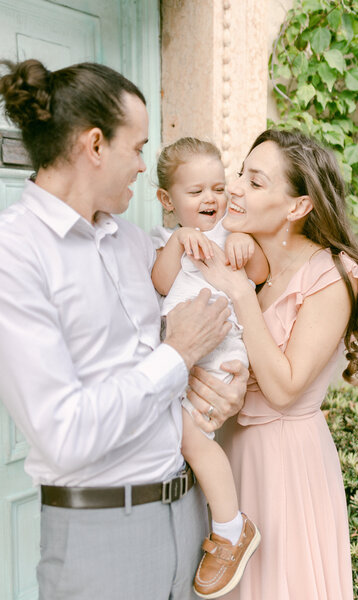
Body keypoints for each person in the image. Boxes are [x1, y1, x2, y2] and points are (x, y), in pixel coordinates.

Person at [0, 59, 248, 600]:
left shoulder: (138, 243)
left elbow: (192, 346)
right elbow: (62, 434)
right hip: (100, 538)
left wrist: (222, 392)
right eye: (136, 149)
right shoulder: (14, 252)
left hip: (191, 517)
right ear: (94, 146)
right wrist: (178, 353)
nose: (142, 167)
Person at [190, 129, 358, 600]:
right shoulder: (242, 255)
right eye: (241, 172)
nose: (236, 187)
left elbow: (284, 388)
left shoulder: (332, 275)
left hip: (284, 462)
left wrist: (242, 294)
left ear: (297, 207)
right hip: (228, 452)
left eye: (257, 181)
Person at [151, 137, 268, 598]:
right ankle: (216, 522)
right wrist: (179, 243)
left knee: (191, 440)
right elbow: (161, 284)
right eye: (196, 191)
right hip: (183, 361)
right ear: (167, 200)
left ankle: (230, 528)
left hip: (220, 354)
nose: (211, 199)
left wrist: (242, 242)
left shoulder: (230, 235)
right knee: (182, 439)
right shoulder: (168, 242)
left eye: (218, 188)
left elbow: (257, 273)